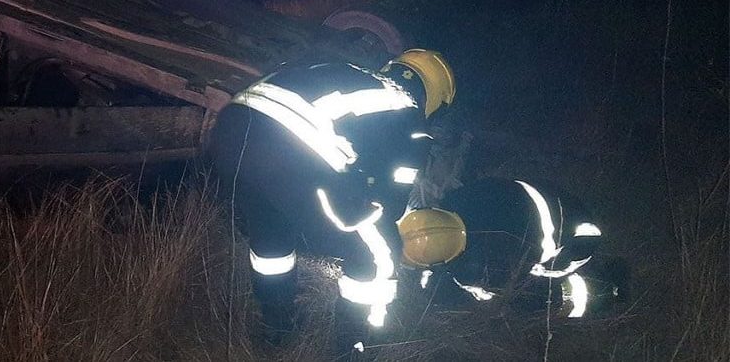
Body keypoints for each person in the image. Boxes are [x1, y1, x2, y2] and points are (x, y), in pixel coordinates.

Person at [209, 49, 456, 343]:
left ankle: (276, 328)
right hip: (293, 147)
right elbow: (390, 202)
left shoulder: (350, 69)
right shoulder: (411, 116)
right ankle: (354, 344)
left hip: (232, 131)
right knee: (378, 249)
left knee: (271, 233)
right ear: (435, 97)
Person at [398, 177, 622, 319]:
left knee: (533, 301)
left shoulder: (489, 261)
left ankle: (604, 293)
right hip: (564, 207)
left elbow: (491, 292)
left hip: (572, 245)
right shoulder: (460, 198)